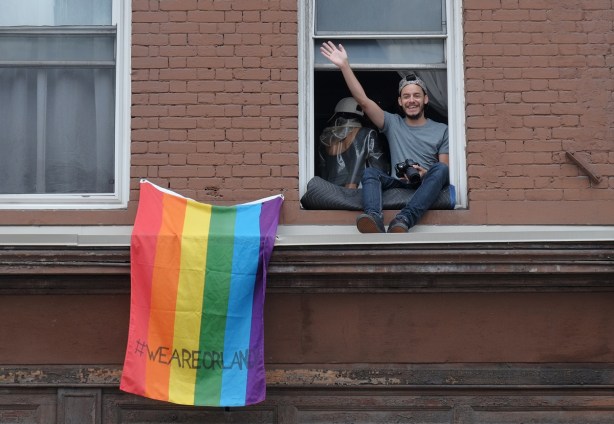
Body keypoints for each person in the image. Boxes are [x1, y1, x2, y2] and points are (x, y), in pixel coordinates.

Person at [320, 41, 450, 234]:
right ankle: (373, 217)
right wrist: (345, 66)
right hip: (397, 182)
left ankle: (405, 218)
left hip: (425, 183)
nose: (411, 100)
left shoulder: (442, 129)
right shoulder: (392, 123)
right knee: (371, 173)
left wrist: (424, 173)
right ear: (400, 101)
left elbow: (444, 170)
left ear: (425, 99)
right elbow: (363, 101)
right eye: (406, 96)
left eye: (416, 95)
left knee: (439, 169)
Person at [317, 97, 389, 188]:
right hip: (357, 190)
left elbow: (323, 170)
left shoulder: (325, 138)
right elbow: (379, 169)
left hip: (331, 192)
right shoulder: (367, 134)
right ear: (361, 115)